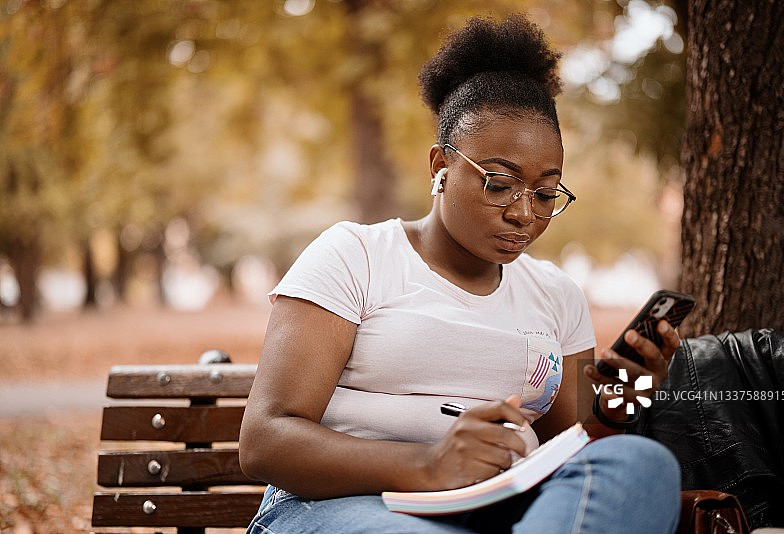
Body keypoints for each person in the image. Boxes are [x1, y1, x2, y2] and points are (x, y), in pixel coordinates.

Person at [240, 14, 682, 534]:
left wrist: (626, 394)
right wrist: (430, 465)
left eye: (544, 194)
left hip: (501, 509)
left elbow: (575, 451)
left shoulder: (556, 295)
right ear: (439, 167)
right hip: (344, 505)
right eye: (499, 183)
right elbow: (265, 440)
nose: (524, 214)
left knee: (643, 465)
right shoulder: (355, 254)